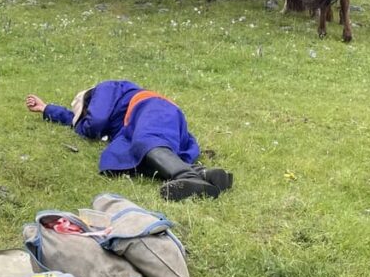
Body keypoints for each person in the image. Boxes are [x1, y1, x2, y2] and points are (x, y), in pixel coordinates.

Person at [25, 80, 233, 201]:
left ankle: (186, 175)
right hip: (152, 117)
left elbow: (94, 122)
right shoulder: (116, 109)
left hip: (152, 109)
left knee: (147, 141)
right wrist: (46, 108)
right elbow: (75, 119)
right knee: (136, 155)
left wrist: (84, 127)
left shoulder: (105, 88)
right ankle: (205, 176)